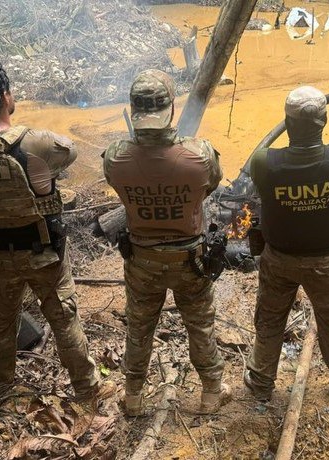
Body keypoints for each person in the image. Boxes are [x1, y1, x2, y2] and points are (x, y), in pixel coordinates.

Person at [0, 58, 111, 402]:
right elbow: (72, 152)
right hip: (42, 253)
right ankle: (88, 388)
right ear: (6, 96)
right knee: (64, 318)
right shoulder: (35, 142)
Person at [103, 69, 230, 416]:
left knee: (140, 327)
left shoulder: (115, 158)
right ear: (171, 109)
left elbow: (119, 183)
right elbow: (211, 185)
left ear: (133, 110)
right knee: (200, 323)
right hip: (191, 260)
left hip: (142, 260)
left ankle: (132, 397)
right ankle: (211, 393)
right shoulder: (199, 156)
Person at [245, 86, 329, 402]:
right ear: (324, 120)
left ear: (287, 122)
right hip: (327, 261)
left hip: (278, 259)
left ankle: (261, 383)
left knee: (269, 319)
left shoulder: (264, 162)